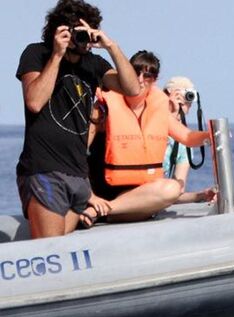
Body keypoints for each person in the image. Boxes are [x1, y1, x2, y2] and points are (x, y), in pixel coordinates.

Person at [15, 0, 139, 239]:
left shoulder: (94, 64)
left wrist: (111, 47)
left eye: (87, 32)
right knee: (50, 246)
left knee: (61, 242)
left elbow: (132, 89)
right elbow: (34, 101)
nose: (84, 39)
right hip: (45, 170)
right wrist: (57, 55)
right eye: (78, 32)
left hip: (80, 176)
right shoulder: (37, 53)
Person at [82, 51, 211, 225]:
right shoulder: (104, 107)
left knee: (172, 188)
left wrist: (212, 135)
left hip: (136, 199)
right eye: (135, 73)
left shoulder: (159, 108)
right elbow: (79, 150)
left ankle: (103, 210)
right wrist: (89, 195)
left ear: (154, 80)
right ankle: (98, 207)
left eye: (148, 75)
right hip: (101, 191)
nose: (140, 80)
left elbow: (188, 137)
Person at [162, 76, 216, 204]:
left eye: (188, 99)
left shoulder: (184, 144)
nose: (181, 104)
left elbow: (176, 193)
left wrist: (202, 195)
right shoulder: (147, 122)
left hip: (154, 200)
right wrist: (169, 113)